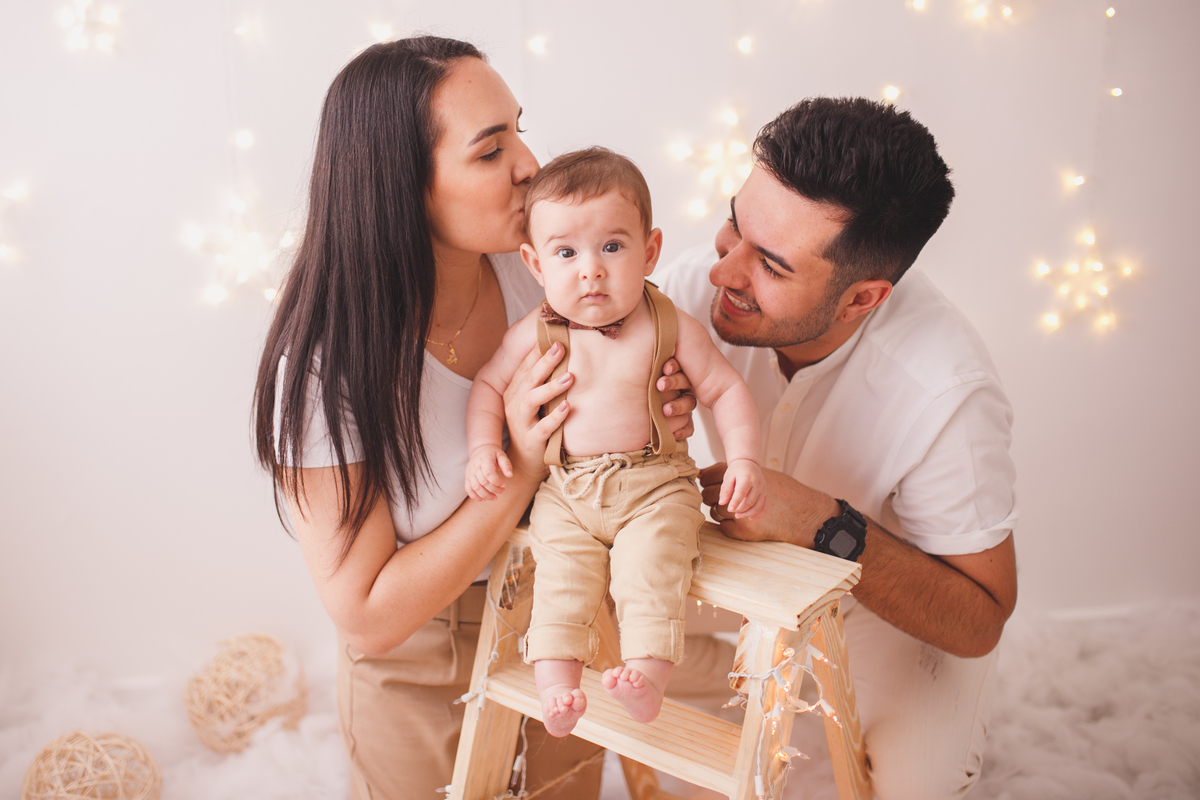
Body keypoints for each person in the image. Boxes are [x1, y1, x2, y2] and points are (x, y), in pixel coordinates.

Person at [250, 38, 697, 800]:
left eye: (519, 129)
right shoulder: (330, 362)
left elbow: (610, 430)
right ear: (403, 187)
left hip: (563, 617)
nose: (529, 163)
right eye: (491, 152)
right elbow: (366, 616)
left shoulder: (544, 278)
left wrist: (652, 407)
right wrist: (520, 462)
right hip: (421, 663)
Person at [656, 97, 1019, 800]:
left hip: (888, 603)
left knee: (915, 783)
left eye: (771, 265)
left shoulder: (947, 392)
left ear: (861, 300)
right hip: (735, 571)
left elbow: (979, 619)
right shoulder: (696, 289)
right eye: (735, 225)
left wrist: (822, 523)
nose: (723, 273)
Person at [463, 147, 766, 737]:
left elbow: (726, 391)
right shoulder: (536, 330)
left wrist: (745, 459)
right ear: (534, 262)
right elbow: (487, 386)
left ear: (649, 250)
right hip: (566, 489)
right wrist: (483, 448)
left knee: (650, 569)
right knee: (560, 579)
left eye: (612, 246)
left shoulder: (670, 324)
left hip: (654, 486)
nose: (590, 270)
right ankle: (556, 689)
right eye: (566, 252)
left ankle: (648, 678)